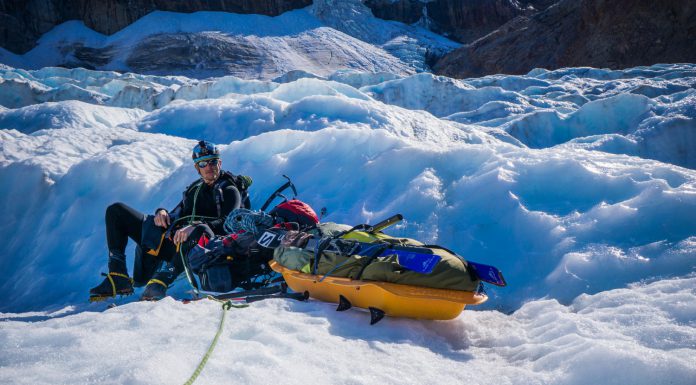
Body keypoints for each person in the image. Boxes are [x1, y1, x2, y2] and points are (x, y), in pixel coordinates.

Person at [89, 140, 252, 302]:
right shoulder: (194, 190)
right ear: (197, 167)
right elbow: (177, 214)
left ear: (220, 162)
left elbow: (229, 223)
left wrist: (196, 226)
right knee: (117, 211)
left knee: (197, 230)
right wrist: (162, 212)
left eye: (213, 162)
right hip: (177, 242)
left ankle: (160, 282)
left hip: (206, 248)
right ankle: (117, 276)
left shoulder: (229, 189)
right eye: (203, 163)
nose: (209, 167)